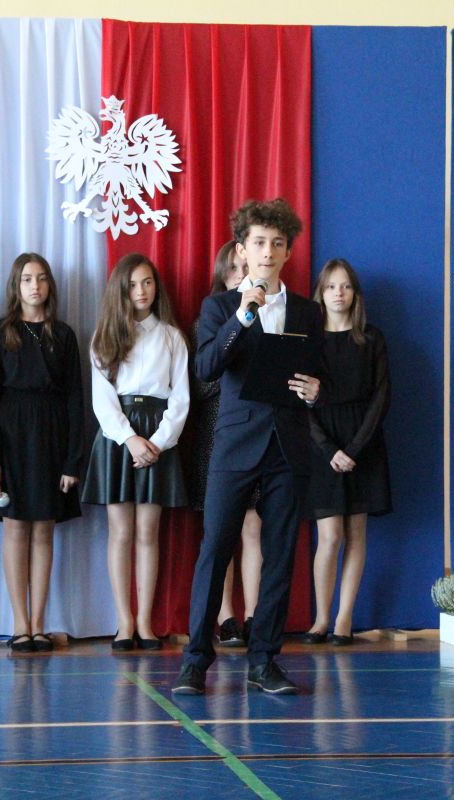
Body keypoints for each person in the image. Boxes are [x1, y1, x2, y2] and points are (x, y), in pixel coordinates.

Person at [175, 198, 323, 695]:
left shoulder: (307, 311)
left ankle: (264, 661)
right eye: (259, 243)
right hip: (235, 444)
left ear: (288, 252)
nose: (268, 252)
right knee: (215, 551)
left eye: (277, 244)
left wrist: (317, 391)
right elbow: (205, 369)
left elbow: (319, 375)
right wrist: (241, 317)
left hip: (289, 446)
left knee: (280, 557)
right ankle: (196, 660)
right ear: (242, 249)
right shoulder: (219, 307)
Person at [0, 253, 83, 654]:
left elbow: (75, 401)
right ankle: (20, 624)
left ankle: (39, 624)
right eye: (26, 279)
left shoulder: (63, 335)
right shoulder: (1, 333)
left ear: (50, 285)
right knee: (16, 528)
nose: (34, 286)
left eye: (41, 278)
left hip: (51, 438)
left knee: (44, 530)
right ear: (15, 286)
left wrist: (72, 461)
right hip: (11, 439)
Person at [82, 253, 190, 651]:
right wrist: (129, 438)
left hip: (159, 437)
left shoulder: (172, 337)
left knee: (148, 531)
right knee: (121, 532)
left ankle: (145, 622)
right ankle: (124, 622)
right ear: (120, 290)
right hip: (119, 438)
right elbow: (102, 399)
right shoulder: (105, 337)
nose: (141, 291)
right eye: (132, 285)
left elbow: (181, 399)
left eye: (147, 282)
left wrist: (157, 443)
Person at [303, 258, 392, 646]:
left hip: (364, 444)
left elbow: (381, 398)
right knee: (330, 536)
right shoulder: (308, 342)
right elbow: (300, 404)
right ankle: (321, 619)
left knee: (356, 532)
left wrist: (355, 448)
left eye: (346, 286)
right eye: (331, 286)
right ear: (320, 293)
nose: (338, 293)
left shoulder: (371, 338)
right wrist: (329, 450)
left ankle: (344, 618)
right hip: (322, 446)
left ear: (355, 294)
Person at [189, 241, 262, 648]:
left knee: (253, 525)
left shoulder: (266, 318)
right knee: (220, 531)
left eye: (244, 269)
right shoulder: (210, 317)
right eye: (233, 270)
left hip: (253, 430)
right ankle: (225, 616)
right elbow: (202, 383)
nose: (240, 277)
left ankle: (253, 614)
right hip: (214, 435)